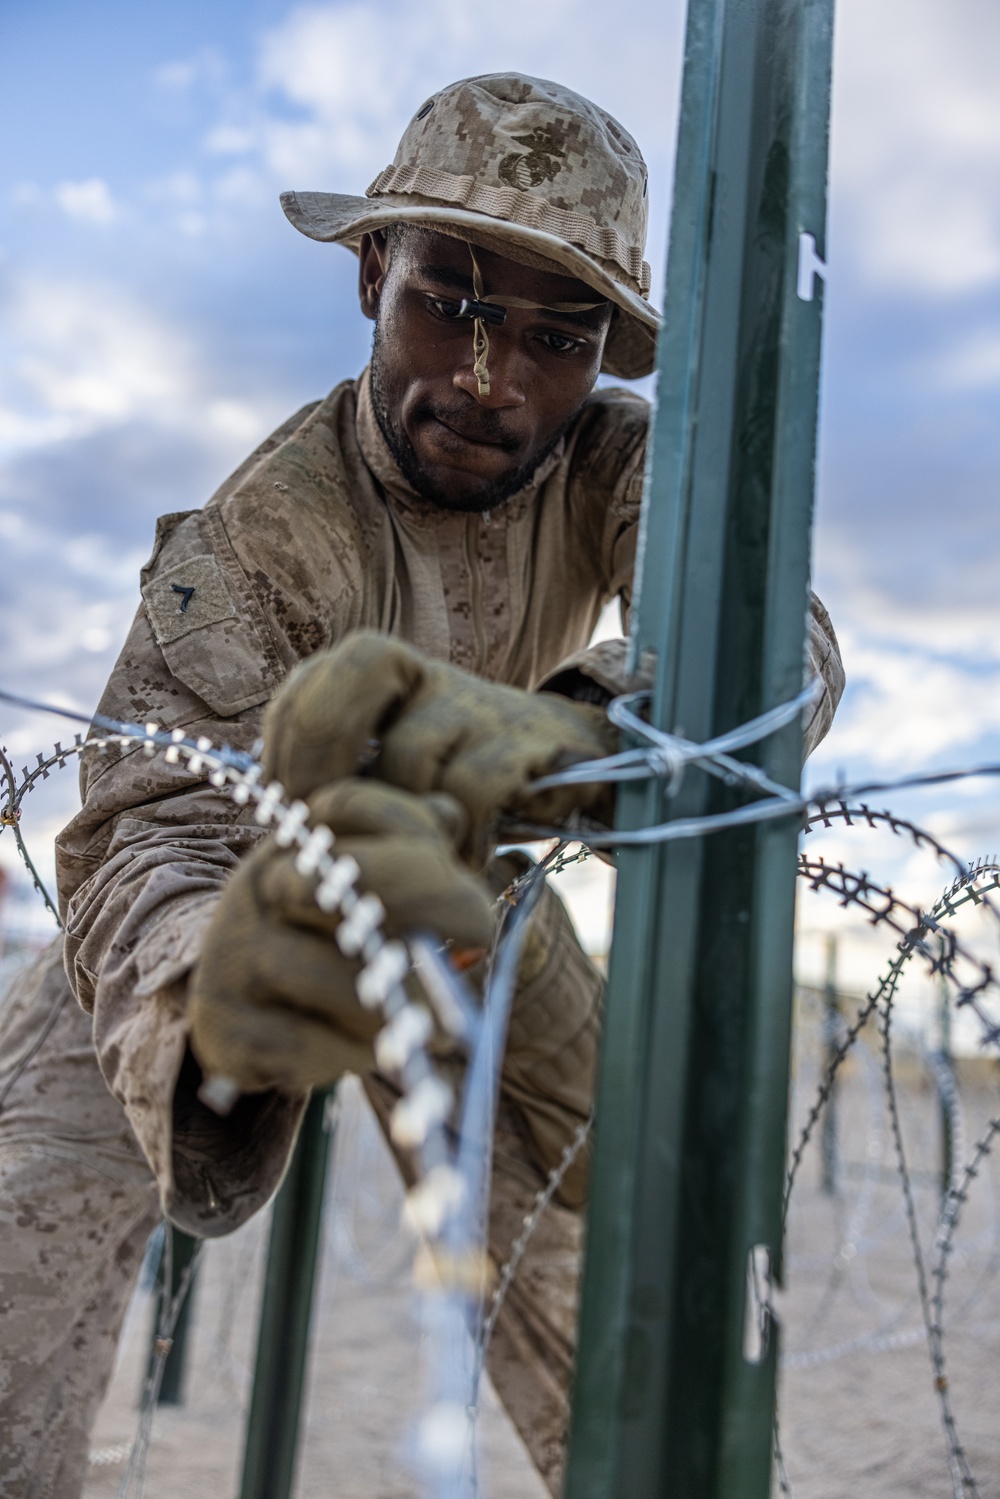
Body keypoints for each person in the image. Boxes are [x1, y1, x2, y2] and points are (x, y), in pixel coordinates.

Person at [0, 72, 844, 1497]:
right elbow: (144, 815)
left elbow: (773, 635)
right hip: (211, 912)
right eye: (447, 300)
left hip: (467, 898)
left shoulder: (621, 469)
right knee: (25, 1249)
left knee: (626, 1326)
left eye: (555, 336)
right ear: (372, 276)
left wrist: (592, 732)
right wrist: (213, 995)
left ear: (602, 358)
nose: (489, 377)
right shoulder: (264, 530)